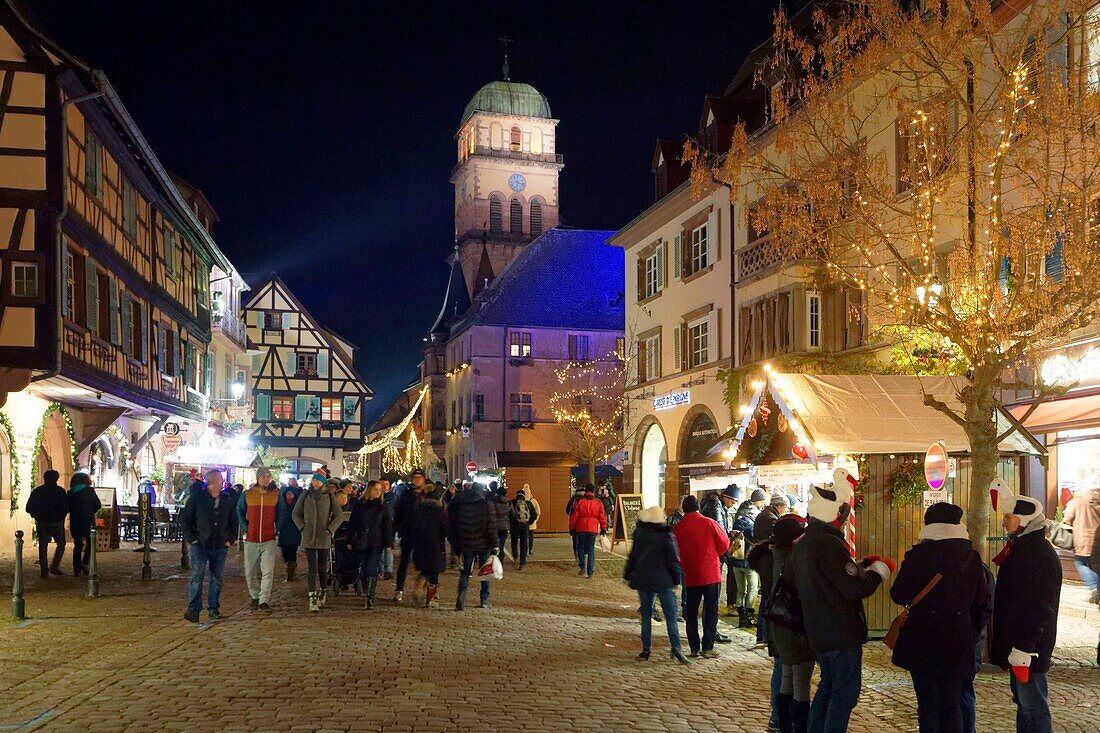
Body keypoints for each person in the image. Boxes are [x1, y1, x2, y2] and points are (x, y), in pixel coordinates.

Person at [790, 473, 893, 733]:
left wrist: (858, 567)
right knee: (844, 693)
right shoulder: (829, 544)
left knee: (828, 687)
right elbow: (853, 587)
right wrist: (877, 572)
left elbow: (827, 578)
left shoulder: (806, 543)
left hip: (819, 629)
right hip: (839, 631)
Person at [890, 502, 991, 733]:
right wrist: (970, 630)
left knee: (928, 704)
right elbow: (981, 602)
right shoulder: (972, 558)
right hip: (958, 637)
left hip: (923, 637)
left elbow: (899, 594)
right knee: (951, 703)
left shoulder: (918, 555)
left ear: (929, 524)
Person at [989, 481, 1061, 733]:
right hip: (1021, 645)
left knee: (1032, 705)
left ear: (1022, 520)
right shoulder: (1024, 549)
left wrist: (1025, 647)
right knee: (1024, 703)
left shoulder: (1038, 554)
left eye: (1008, 517)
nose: (1003, 522)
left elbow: (1040, 606)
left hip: (1029, 648)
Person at [751, 514, 812, 733]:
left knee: (784, 672)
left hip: (775, 621)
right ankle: (784, 720)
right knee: (791, 676)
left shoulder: (769, 556)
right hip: (789, 622)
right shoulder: (788, 560)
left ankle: (778, 719)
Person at [624, 505, 690, 665]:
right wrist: (677, 579)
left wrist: (628, 575)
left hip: (644, 580)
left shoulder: (640, 534)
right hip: (663, 580)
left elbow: (633, 556)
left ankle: (646, 649)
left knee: (646, 616)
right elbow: (673, 560)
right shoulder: (666, 535)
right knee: (671, 617)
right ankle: (676, 648)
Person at [672, 494, 729, 659]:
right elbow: (724, 542)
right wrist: (714, 555)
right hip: (710, 573)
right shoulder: (709, 523)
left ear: (683, 509)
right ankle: (708, 647)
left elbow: (675, 551)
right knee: (711, 611)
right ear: (698, 507)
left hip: (691, 575)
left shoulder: (678, 528)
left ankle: (694, 647)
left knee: (691, 612)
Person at [178, 469, 238, 622]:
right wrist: (192, 538)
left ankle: (213, 609)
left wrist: (230, 539)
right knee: (197, 576)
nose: (222, 482)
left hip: (220, 545)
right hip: (201, 544)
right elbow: (185, 519)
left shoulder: (226, 499)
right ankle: (194, 610)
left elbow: (233, 520)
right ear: (211, 482)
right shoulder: (198, 499)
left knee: (216, 578)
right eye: (219, 479)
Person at [291, 467, 344, 612]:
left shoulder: (329, 496)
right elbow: (295, 513)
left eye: (317, 480)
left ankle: (322, 591)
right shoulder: (305, 494)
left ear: (322, 482)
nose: (314, 482)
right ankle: (312, 597)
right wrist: (302, 527)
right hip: (309, 535)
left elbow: (339, 516)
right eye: (313, 480)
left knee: (321, 567)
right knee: (312, 568)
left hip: (323, 536)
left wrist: (330, 529)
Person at [447, 481, 497, 610]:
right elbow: (491, 526)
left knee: (465, 572)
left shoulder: (463, 505)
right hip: (483, 544)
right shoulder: (487, 505)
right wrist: (495, 544)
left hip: (466, 543)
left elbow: (457, 524)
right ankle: (484, 599)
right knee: (485, 572)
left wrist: (457, 543)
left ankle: (461, 598)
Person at [237, 467, 280, 611]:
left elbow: (282, 513)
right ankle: (255, 596)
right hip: (251, 538)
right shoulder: (247, 495)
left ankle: (264, 600)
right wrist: (245, 527)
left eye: (268, 476)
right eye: (264, 476)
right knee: (250, 571)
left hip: (269, 538)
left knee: (268, 571)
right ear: (258, 478)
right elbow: (239, 510)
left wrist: (276, 528)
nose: (266, 479)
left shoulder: (275, 495)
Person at [347, 480, 393, 610]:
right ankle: (364, 584)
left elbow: (387, 525)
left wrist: (388, 542)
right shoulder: (360, 505)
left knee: (372, 567)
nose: (378, 492)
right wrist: (349, 540)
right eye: (375, 489)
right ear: (369, 490)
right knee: (364, 567)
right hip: (362, 540)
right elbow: (353, 523)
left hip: (376, 541)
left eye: (380, 490)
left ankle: (370, 596)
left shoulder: (383, 506)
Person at [730, 488, 766, 628]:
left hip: (735, 560)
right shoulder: (753, 521)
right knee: (752, 589)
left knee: (740, 590)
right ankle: (750, 618)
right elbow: (757, 540)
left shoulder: (737, 518)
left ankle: (741, 618)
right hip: (749, 562)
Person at [409, 487, 448, 608]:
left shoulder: (418, 510)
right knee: (434, 572)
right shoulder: (439, 511)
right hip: (436, 546)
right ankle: (429, 600)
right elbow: (447, 529)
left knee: (425, 569)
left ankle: (420, 583)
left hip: (420, 545)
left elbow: (413, 528)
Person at [392, 469, 428, 602]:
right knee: (404, 562)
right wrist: (393, 532)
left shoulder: (429, 494)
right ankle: (399, 589)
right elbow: (398, 515)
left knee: (424, 562)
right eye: (415, 477)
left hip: (424, 535)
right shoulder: (406, 495)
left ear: (424, 479)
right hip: (408, 532)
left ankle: (425, 587)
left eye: (419, 477)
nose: (417, 480)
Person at [26, 470, 68, 578]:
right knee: (61, 544)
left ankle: (44, 571)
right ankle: (54, 565)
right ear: (56, 479)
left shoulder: (38, 491)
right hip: (56, 522)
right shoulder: (60, 491)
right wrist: (60, 516)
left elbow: (29, 507)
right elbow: (66, 507)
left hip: (42, 522)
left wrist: (37, 515)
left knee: (43, 547)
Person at [1063, 487, 1099, 603]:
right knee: (1095, 565)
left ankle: (1095, 588)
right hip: (1097, 539)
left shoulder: (1077, 502)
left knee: (1081, 563)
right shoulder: (1097, 502)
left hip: (1083, 540)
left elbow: (1067, 519)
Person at [569, 483, 608, 578]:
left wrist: (571, 527)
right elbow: (602, 516)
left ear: (586, 490)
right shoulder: (598, 502)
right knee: (591, 549)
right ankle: (590, 572)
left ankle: (582, 565)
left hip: (581, 527)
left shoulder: (579, 501)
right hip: (593, 528)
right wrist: (603, 528)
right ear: (593, 491)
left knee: (580, 547)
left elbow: (574, 516)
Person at [66, 471, 101, 577]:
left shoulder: (71, 493)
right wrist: (90, 511)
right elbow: (97, 504)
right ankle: (84, 563)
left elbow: (67, 507)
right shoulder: (89, 491)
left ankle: (76, 569)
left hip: (75, 520)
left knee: (78, 545)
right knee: (90, 543)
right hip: (88, 520)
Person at [276, 476, 303, 582]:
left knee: (292, 551)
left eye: (291, 493)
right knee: (284, 551)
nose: (289, 495)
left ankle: (291, 569)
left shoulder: (297, 504)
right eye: (287, 494)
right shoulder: (282, 504)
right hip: (283, 531)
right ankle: (289, 564)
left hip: (294, 531)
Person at [509, 487, 538, 570]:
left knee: (514, 542)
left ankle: (515, 557)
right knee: (524, 543)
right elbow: (534, 515)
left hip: (515, 526)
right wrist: (529, 522)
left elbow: (510, 515)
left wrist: (511, 523)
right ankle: (522, 561)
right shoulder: (528, 503)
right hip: (525, 526)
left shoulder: (512, 502)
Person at [380, 478, 396, 579]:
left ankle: (388, 570)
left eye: (387, 484)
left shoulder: (393, 497)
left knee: (389, 548)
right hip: (378, 525)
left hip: (390, 525)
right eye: (383, 484)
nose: (385, 486)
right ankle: (381, 570)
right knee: (380, 548)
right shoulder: (377, 497)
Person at [491, 484, 511, 558]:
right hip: (505, 526)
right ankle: (500, 560)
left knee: (495, 544)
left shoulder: (493, 501)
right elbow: (512, 514)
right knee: (501, 545)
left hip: (494, 525)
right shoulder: (508, 502)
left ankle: (494, 560)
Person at [524, 484, 542, 557]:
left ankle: (524, 550)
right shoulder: (534, 501)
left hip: (523, 523)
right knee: (531, 537)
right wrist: (536, 519)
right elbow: (538, 511)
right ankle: (530, 550)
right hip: (532, 523)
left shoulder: (521, 501)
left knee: (524, 537)